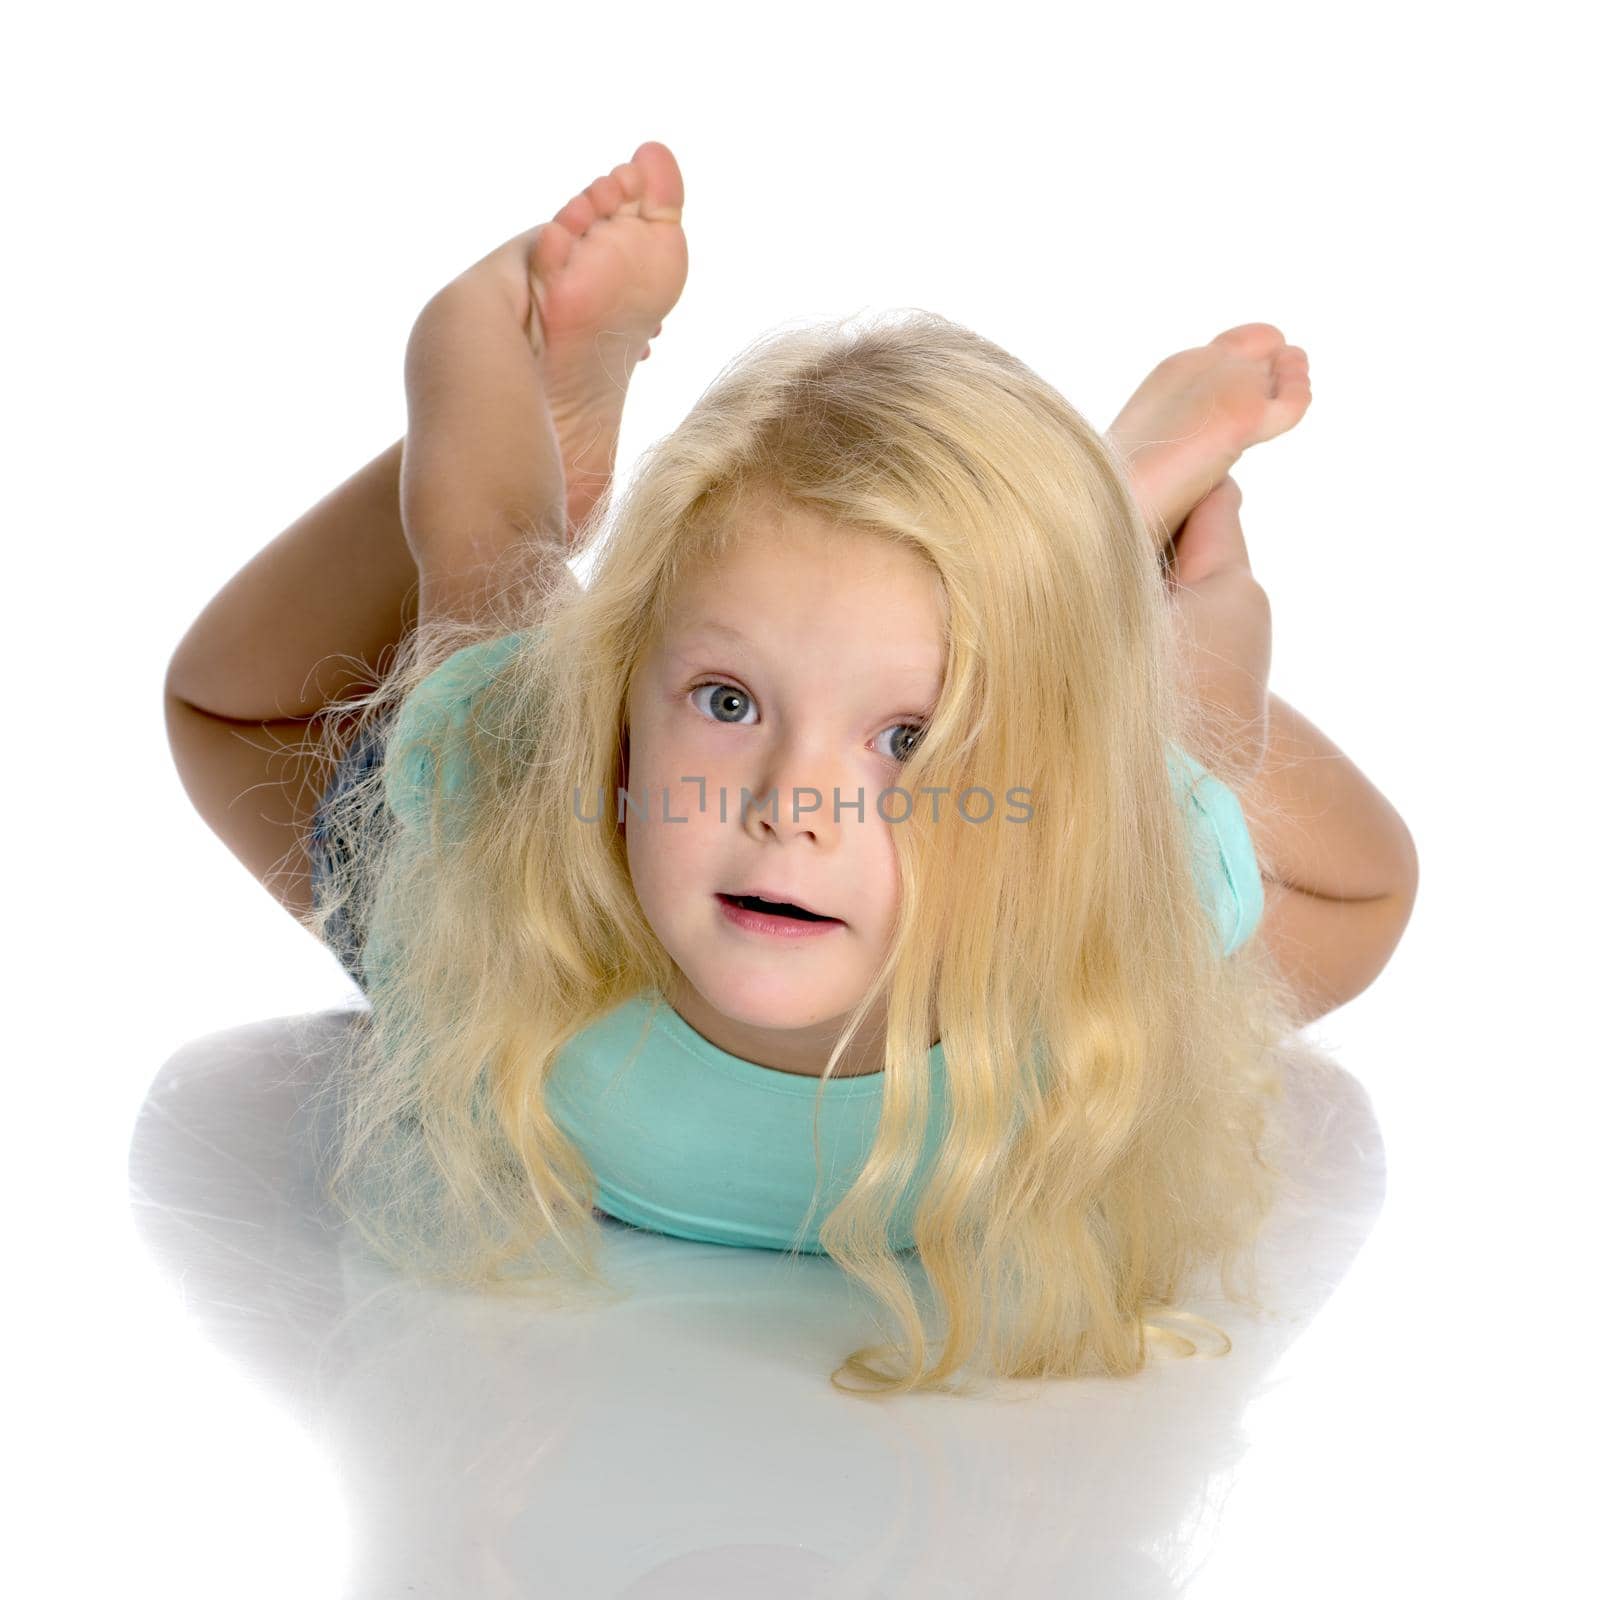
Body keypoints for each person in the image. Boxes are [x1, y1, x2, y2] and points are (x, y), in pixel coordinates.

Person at [164, 140, 1418, 1398]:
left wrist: (1193, 701)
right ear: (621, 713)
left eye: (907, 739)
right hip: (527, 890)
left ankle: (1094, 529)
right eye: (727, 701)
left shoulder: (1097, 932)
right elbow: (465, 538)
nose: (787, 813)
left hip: (1096, 755)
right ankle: (502, 357)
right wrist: (472, 377)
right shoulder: (510, 828)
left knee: (1199, 739)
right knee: (412, 605)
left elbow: (1368, 889)